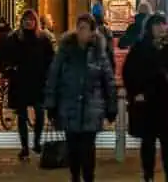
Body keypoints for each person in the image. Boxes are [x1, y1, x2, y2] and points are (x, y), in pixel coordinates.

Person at [122, 14, 168, 182]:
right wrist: (135, 92)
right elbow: (129, 72)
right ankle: (148, 174)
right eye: (156, 25)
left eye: (163, 24)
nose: (160, 28)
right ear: (150, 28)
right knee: (148, 141)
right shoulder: (141, 47)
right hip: (147, 103)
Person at [44, 13, 116, 182]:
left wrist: (111, 106)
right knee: (73, 148)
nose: (81, 31)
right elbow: (54, 76)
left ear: (92, 31)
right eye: (79, 27)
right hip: (69, 106)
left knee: (88, 148)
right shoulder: (66, 50)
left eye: (85, 28)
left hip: (92, 107)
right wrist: (51, 104)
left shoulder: (99, 51)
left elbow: (108, 79)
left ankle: (89, 177)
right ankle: (75, 176)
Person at [0, 9, 54, 160]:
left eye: (31, 19)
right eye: (26, 20)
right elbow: (5, 57)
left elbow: (50, 59)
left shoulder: (43, 39)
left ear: (35, 22)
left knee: (40, 112)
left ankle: (36, 141)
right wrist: (8, 71)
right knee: (21, 115)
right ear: (22, 22)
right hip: (20, 80)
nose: (28, 22)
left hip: (38, 80)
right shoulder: (14, 38)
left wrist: (49, 76)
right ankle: (24, 147)